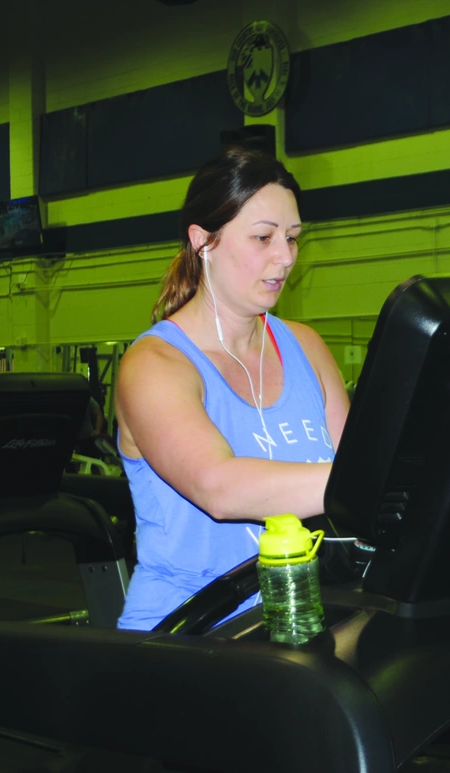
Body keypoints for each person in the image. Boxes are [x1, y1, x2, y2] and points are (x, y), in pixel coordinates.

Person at [114, 147, 350, 631]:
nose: (285, 258)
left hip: (296, 616)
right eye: (263, 237)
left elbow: (355, 459)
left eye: (292, 238)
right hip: (189, 630)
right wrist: (372, 480)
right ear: (203, 242)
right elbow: (219, 487)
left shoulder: (305, 346)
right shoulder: (154, 365)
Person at [76, 395, 106, 459]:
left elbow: (98, 413)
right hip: (70, 438)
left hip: (87, 437)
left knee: (91, 463)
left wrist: (97, 430)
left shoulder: (87, 398)